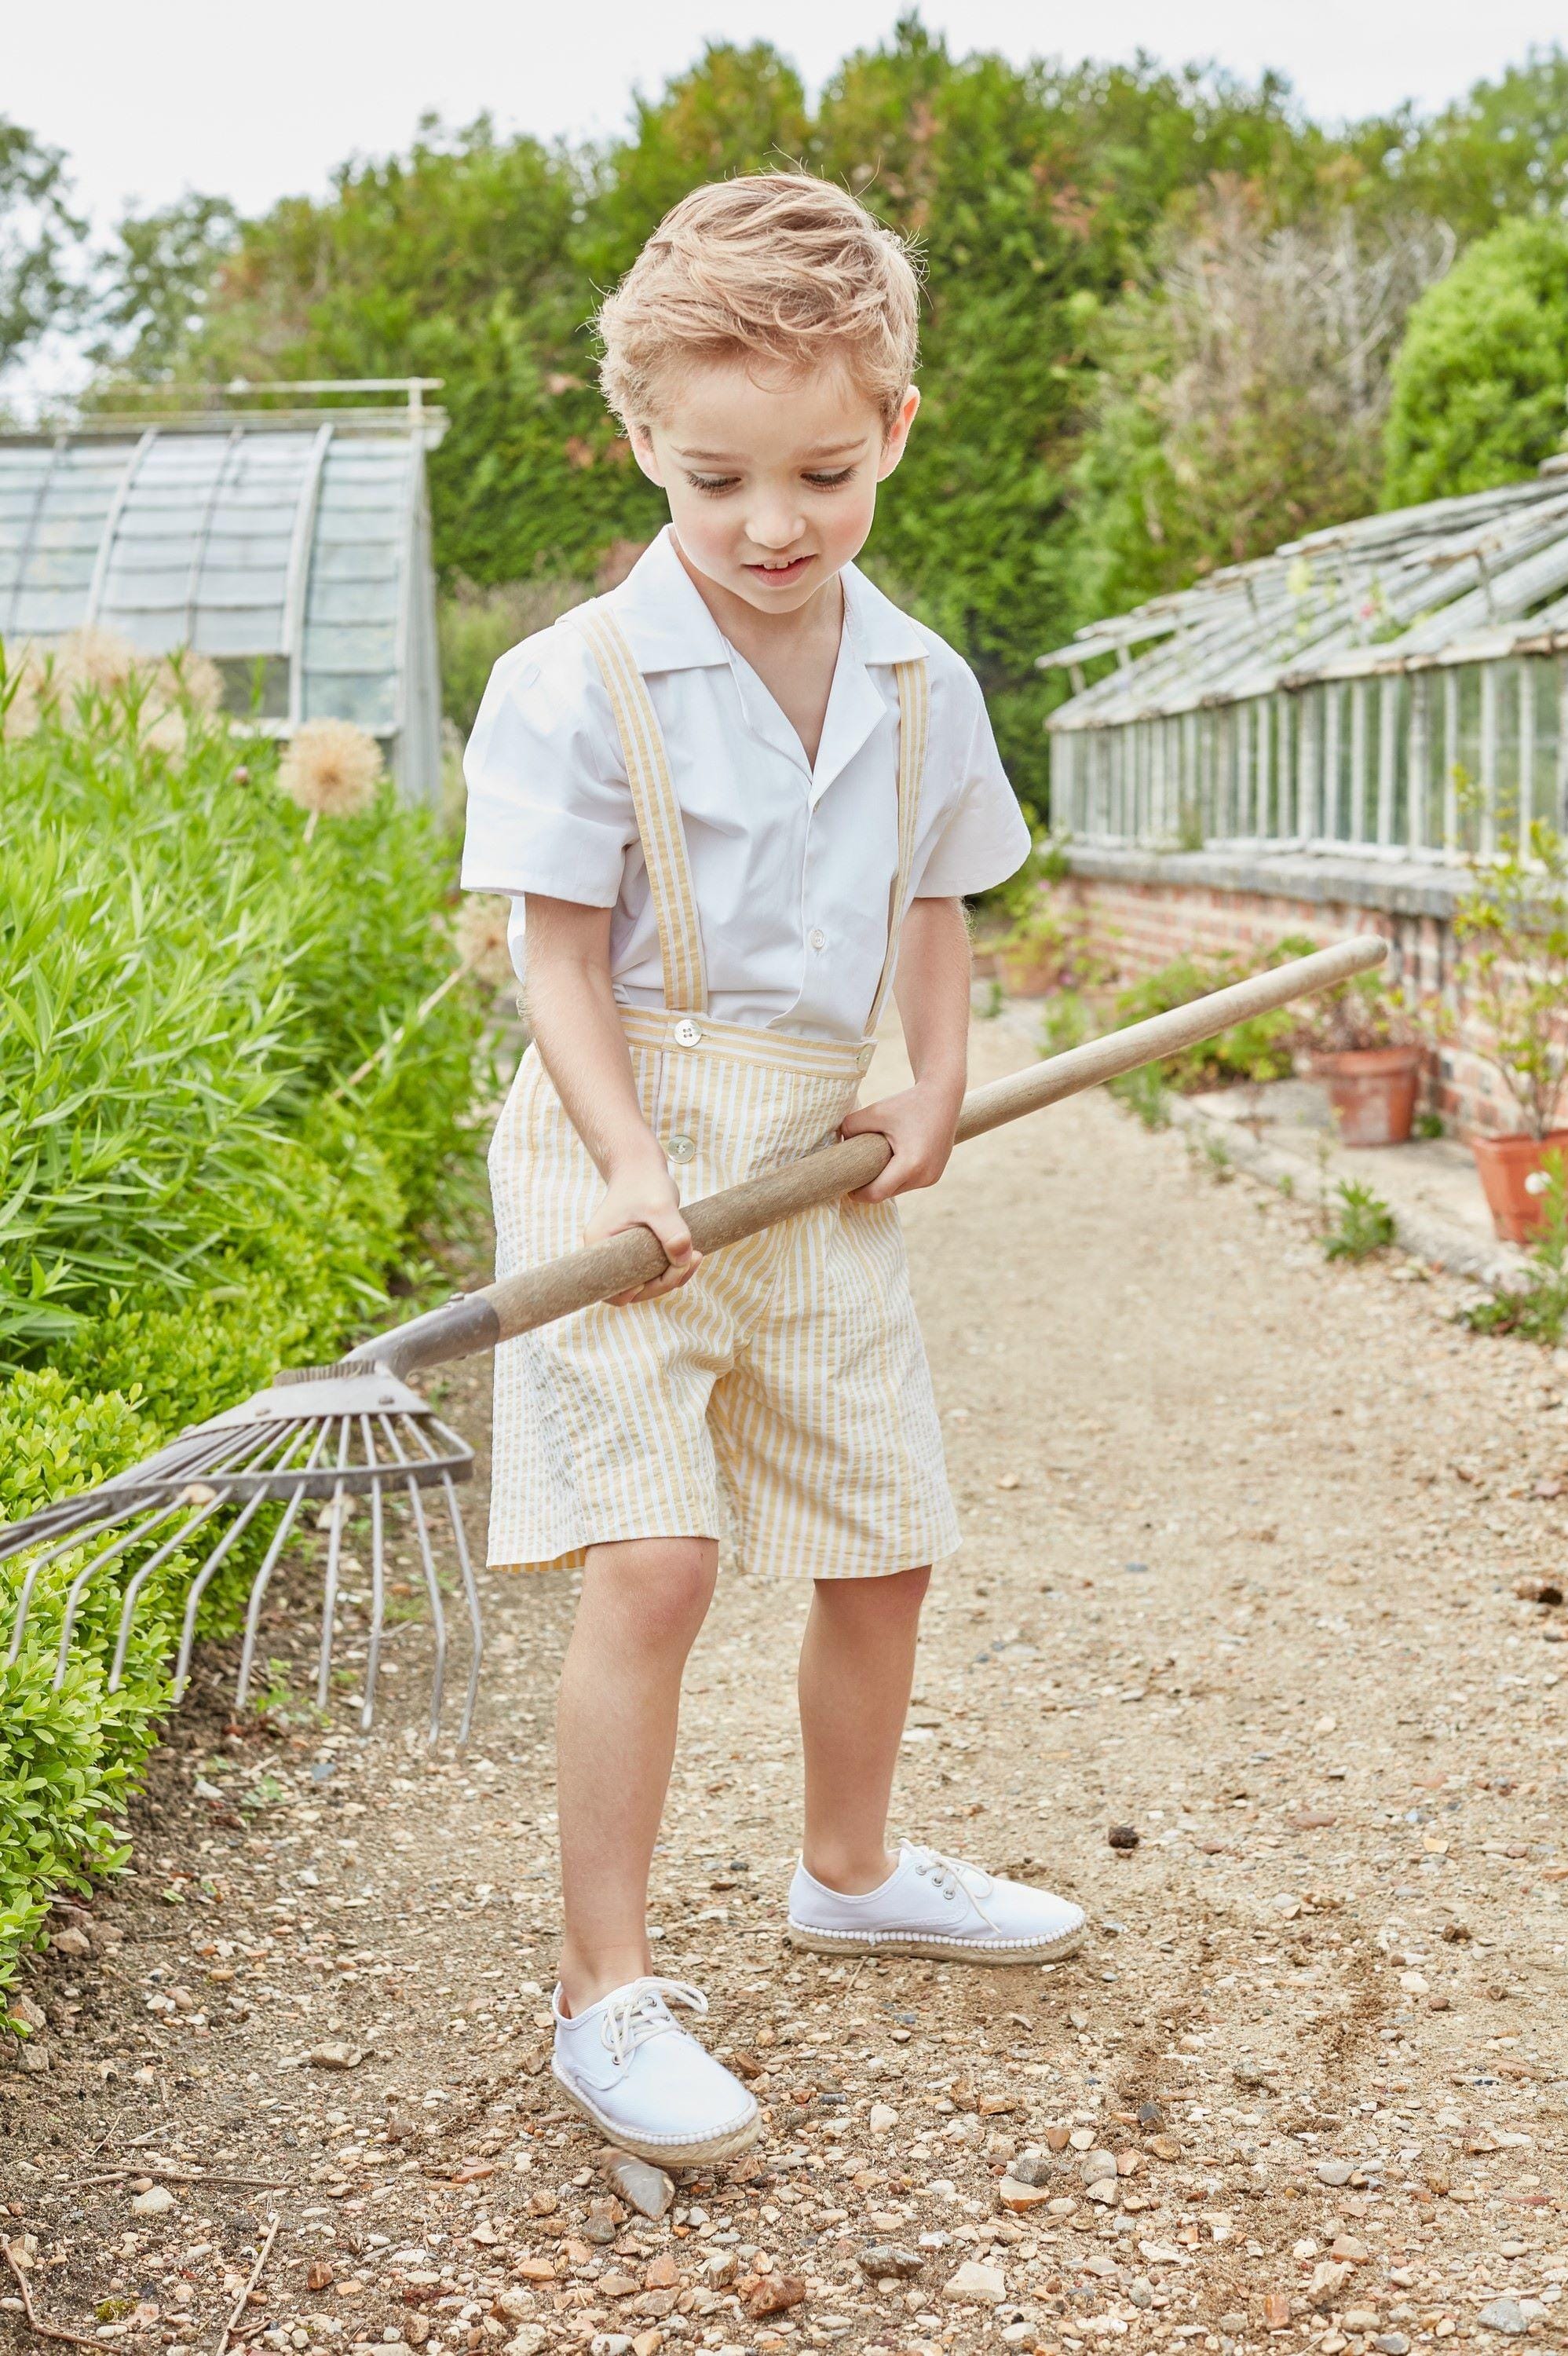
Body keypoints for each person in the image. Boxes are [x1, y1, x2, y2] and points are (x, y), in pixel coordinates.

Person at [461, 173, 1084, 2168]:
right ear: (642, 438)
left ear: (893, 427)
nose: (770, 525)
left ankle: (850, 1864)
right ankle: (604, 1994)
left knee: (880, 1529)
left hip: (809, 1161)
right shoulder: (578, 679)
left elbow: (931, 898)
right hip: (612, 1161)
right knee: (657, 1559)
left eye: (822, 470)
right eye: (716, 476)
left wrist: (933, 1079)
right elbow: (554, 954)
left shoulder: (920, 681)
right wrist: (635, 1167)